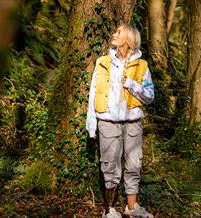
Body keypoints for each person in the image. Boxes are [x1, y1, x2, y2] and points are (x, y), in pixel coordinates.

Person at [86, 23, 155, 218]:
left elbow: (150, 96)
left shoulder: (142, 65)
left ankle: (132, 208)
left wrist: (132, 84)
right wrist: (91, 124)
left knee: (134, 164)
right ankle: (110, 210)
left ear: (129, 40)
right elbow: (93, 94)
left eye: (118, 32)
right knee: (110, 164)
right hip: (107, 121)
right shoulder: (102, 62)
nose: (114, 34)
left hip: (132, 122)